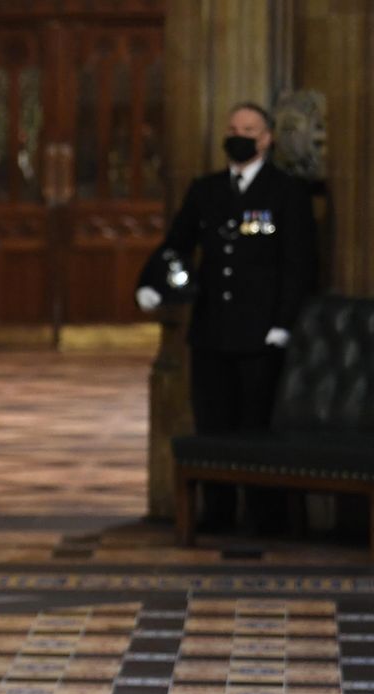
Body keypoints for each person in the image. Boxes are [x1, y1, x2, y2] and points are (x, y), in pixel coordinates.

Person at [137, 102, 316, 531]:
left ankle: (265, 518)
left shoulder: (286, 191)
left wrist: (283, 324)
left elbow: (300, 264)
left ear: (267, 138)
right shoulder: (206, 190)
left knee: (257, 429)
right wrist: (152, 282)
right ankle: (216, 514)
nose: (239, 135)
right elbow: (177, 243)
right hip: (212, 330)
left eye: (250, 129)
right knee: (213, 426)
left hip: (262, 333)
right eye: (233, 127)